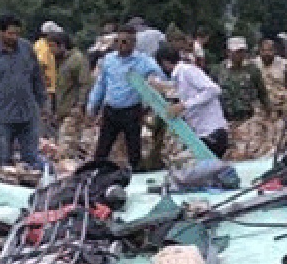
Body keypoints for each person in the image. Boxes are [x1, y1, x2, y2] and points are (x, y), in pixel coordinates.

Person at [0, 14, 47, 169]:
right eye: (10, 34)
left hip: (27, 113)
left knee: (31, 158)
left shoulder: (26, 49)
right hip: (2, 116)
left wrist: (43, 104)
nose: (14, 37)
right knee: (4, 160)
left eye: (17, 33)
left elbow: (37, 78)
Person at [86, 25, 163, 170]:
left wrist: (152, 82)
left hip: (131, 111)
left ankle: (136, 178)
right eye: (118, 41)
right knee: (102, 149)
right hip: (111, 110)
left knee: (134, 151)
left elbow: (159, 77)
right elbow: (101, 84)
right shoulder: (108, 60)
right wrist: (92, 106)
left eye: (125, 42)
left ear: (133, 43)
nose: (120, 45)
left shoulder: (143, 61)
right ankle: (96, 176)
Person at [155, 46, 228, 158]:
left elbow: (213, 89)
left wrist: (185, 105)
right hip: (201, 133)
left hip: (212, 132)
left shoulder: (187, 71)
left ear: (164, 63)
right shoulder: (178, 76)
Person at [212, 37, 271, 159]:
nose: (240, 55)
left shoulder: (252, 70)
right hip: (224, 121)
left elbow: (262, 93)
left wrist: (269, 114)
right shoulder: (218, 70)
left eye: (242, 51)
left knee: (249, 152)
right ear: (228, 52)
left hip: (247, 120)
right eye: (236, 51)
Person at [49, 32, 90, 158]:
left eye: (53, 46)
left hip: (72, 111)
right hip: (62, 110)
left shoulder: (77, 60)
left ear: (62, 46)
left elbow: (84, 83)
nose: (51, 50)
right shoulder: (60, 61)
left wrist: (80, 105)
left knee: (66, 149)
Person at [254, 37, 287, 122]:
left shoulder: (284, 64)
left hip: (282, 105)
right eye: (264, 50)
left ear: (275, 51)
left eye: (270, 50)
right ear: (259, 51)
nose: (267, 53)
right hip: (260, 108)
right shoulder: (253, 65)